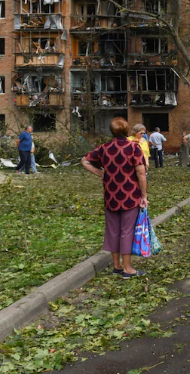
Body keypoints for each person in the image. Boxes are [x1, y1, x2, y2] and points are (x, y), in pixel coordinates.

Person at [81, 117, 148, 279]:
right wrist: (144, 195)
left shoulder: (104, 148)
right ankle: (127, 269)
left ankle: (117, 266)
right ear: (127, 131)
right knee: (126, 231)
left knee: (113, 230)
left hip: (110, 196)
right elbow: (140, 172)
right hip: (130, 195)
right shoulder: (134, 148)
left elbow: (85, 161)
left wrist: (100, 173)